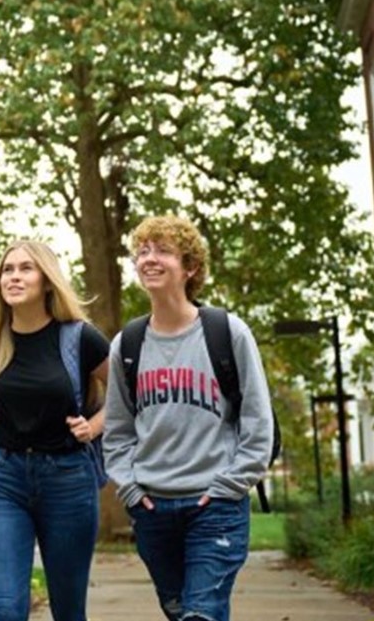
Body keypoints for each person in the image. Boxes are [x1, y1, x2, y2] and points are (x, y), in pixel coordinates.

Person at [102, 215, 274, 621]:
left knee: (202, 613)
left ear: (191, 267)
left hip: (215, 506)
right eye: (142, 251)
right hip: (152, 509)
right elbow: (117, 432)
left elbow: (257, 421)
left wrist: (229, 486)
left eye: (162, 250)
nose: (149, 258)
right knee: (183, 612)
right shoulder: (127, 344)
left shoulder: (227, 333)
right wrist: (129, 489)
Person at [0, 240, 110, 621]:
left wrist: (94, 426)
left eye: (25, 268)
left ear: (47, 281)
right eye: (7, 269)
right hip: (5, 479)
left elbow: (128, 393)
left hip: (68, 481)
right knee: (7, 609)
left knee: (68, 612)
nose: (14, 276)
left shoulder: (79, 337)